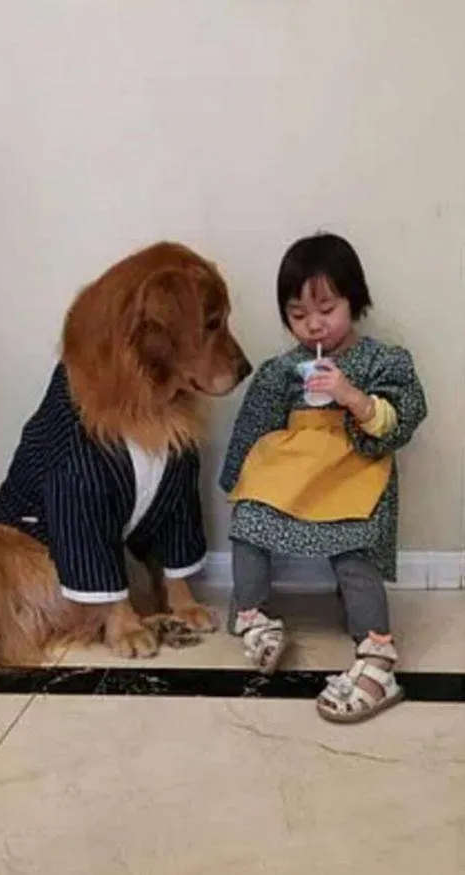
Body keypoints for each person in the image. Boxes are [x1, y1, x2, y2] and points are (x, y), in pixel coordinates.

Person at [219, 232, 427, 723]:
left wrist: (351, 395)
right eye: (297, 314)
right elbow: (254, 425)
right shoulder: (281, 370)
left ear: (355, 300)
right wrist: (238, 479)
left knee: (356, 547)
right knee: (249, 519)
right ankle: (252, 615)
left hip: (352, 470)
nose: (313, 324)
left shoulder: (384, 362)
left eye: (326, 309)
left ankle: (376, 648)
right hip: (291, 471)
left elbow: (401, 420)